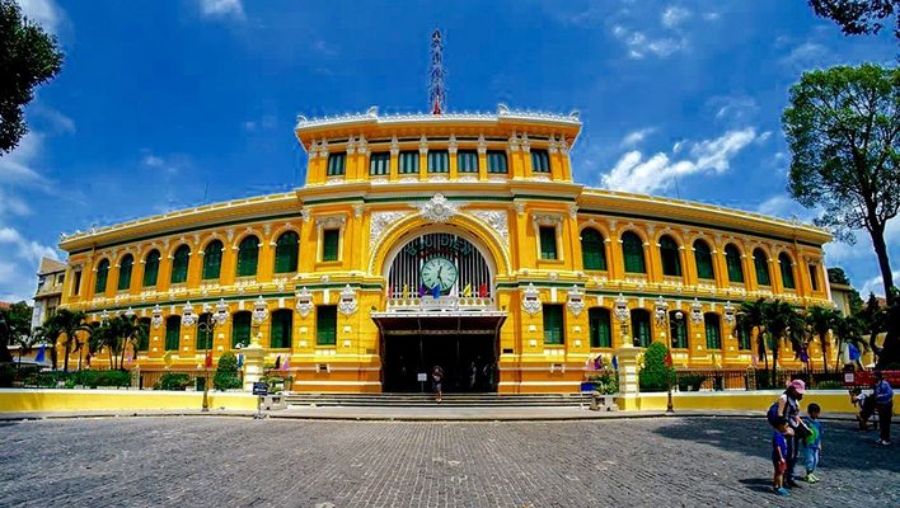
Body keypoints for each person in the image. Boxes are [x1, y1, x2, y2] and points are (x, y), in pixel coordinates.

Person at [775, 379, 808, 487]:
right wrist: (786, 429)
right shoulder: (784, 398)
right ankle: (784, 478)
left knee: (795, 455)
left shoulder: (795, 400)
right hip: (787, 431)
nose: (800, 394)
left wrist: (803, 426)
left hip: (795, 430)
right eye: (799, 391)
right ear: (793, 389)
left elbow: (796, 415)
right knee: (787, 455)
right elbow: (780, 415)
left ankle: (791, 477)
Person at [802, 403, 823, 483]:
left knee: (816, 459)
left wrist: (820, 444)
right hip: (808, 444)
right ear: (811, 412)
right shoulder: (806, 422)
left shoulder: (818, 424)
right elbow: (803, 433)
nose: (817, 414)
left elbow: (820, 434)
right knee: (810, 459)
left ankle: (811, 473)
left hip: (816, 444)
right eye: (816, 412)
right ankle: (808, 474)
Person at [771, 416, 791, 497]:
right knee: (780, 473)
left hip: (780, 457)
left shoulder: (780, 433)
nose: (787, 428)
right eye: (786, 426)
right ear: (780, 426)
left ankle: (775, 486)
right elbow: (778, 447)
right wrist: (781, 457)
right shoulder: (777, 435)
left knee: (778, 472)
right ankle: (780, 487)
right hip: (779, 458)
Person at [873, 371, 894, 446]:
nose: (873, 377)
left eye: (874, 376)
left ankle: (887, 439)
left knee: (886, 422)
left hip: (886, 405)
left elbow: (890, 393)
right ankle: (882, 438)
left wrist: (880, 396)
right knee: (881, 422)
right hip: (880, 405)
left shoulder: (885, 384)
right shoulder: (876, 385)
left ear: (878, 377)